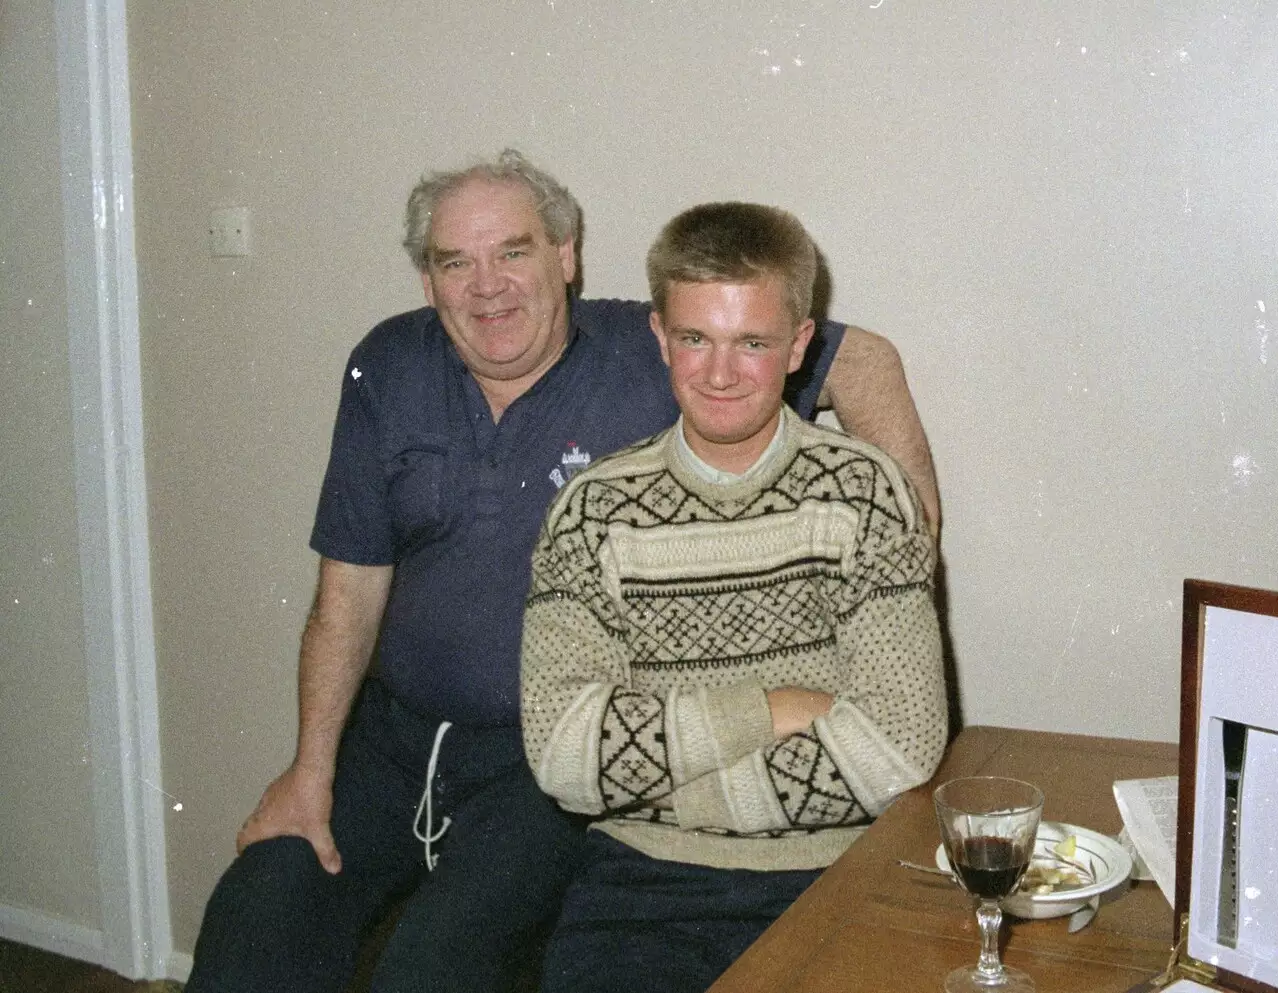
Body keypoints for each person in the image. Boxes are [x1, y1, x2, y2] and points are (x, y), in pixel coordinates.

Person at [184, 153, 939, 993]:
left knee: (437, 964)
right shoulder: (388, 365)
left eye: (513, 251)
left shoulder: (652, 345)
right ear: (427, 279)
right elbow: (345, 595)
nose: (487, 287)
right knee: (260, 906)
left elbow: (863, 360)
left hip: (539, 763)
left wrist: (907, 545)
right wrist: (309, 769)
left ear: (567, 254)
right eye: (453, 262)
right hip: (395, 742)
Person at [521, 202, 947, 993]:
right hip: (641, 888)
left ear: (798, 345)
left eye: (752, 342)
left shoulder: (865, 495)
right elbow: (562, 753)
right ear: (660, 337)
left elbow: (901, 742)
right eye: (695, 339)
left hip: (837, 872)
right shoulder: (592, 512)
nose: (719, 373)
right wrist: (778, 704)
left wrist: (676, 789)